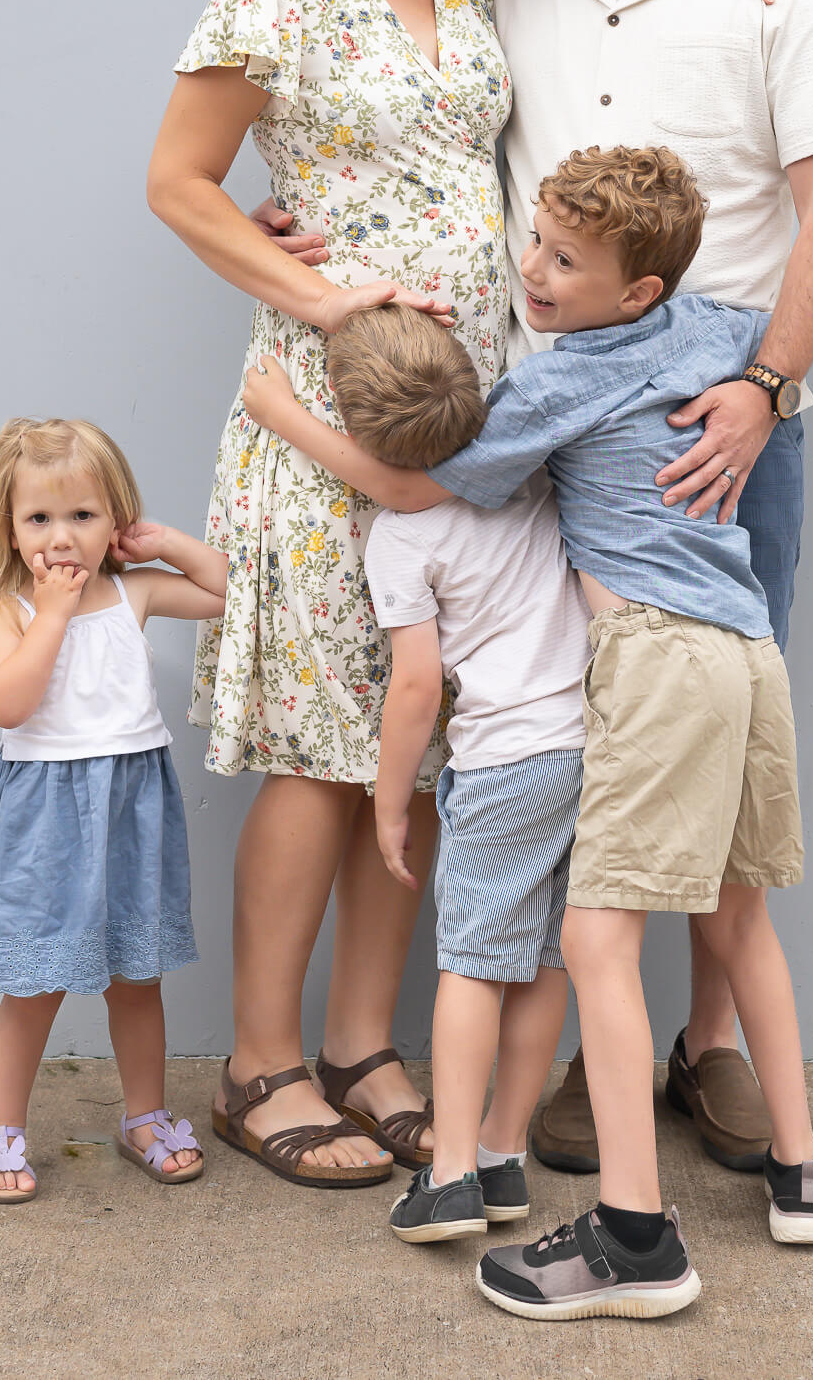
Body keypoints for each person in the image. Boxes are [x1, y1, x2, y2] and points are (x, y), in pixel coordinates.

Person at [146, 0, 801, 1186]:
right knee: (320, 749)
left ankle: (366, 1044)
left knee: (432, 736)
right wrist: (314, 287)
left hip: (490, 427)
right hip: (333, 413)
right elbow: (179, 184)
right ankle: (260, 1063)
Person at [248, 147, 813, 1322]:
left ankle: (634, 1235)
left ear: (632, 291)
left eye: (565, 260)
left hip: (657, 665)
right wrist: (772, 387)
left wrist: (285, 411)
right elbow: (781, 358)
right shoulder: (721, 330)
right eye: (535, 240)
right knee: (736, 918)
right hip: (745, 656)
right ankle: (801, 1170)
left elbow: (423, 489)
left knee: (593, 947)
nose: (532, 271)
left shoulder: (550, 382)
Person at [499, 0, 813, 1177]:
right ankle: (573, 1045)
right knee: (562, 731)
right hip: (554, 431)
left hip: (727, 426)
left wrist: (766, 390)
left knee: (718, 732)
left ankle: (707, 1047)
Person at [312, 304, 590, 1245]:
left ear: (361, 438)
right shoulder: (528, 474)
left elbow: (417, 684)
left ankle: (455, 1170)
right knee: (545, 958)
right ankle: (505, 1153)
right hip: (592, 746)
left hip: (507, 760)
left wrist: (392, 805)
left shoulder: (401, 537)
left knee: (472, 962)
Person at [0, 417, 228, 1202]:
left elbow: (219, 588)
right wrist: (54, 613)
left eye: (82, 515)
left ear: (114, 521)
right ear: (10, 526)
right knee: (33, 981)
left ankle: (145, 1115)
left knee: (137, 976)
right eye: (39, 518)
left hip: (131, 804)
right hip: (46, 816)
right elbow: (7, 702)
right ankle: (1, 1128)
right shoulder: (7, 605)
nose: (60, 537)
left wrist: (162, 540)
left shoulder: (133, 590)